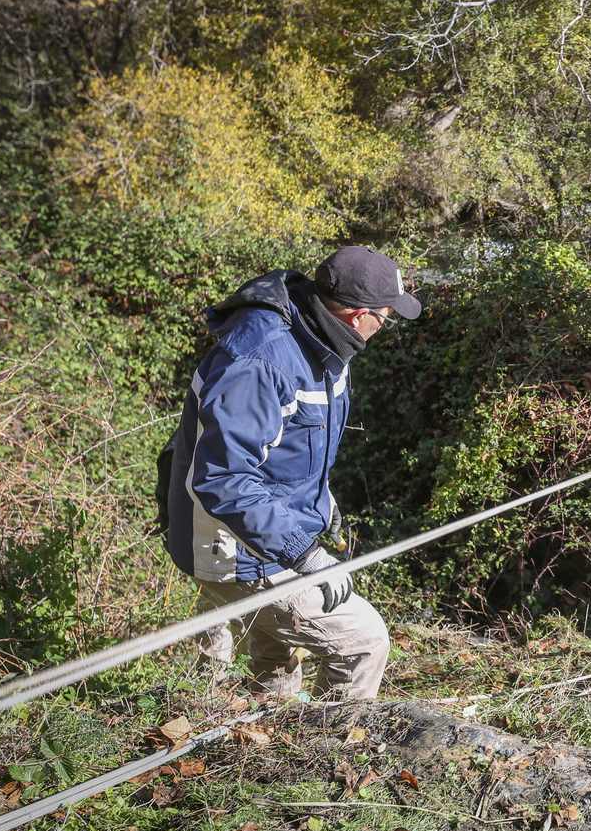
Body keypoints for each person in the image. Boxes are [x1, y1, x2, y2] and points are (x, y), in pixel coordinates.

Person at [165, 246, 421, 700]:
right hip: (231, 546)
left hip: (265, 532)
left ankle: (271, 728)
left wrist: (322, 501)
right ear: (358, 316)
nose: (384, 327)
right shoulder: (260, 363)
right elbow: (224, 477)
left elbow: (290, 447)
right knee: (363, 642)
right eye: (385, 318)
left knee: (276, 660)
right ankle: (334, 740)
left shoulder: (325, 343)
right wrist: (305, 554)